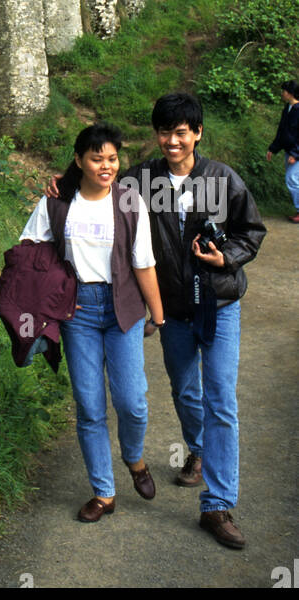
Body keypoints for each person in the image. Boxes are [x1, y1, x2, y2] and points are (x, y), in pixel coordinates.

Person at [47, 91, 266, 549]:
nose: (171, 141)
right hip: (173, 310)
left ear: (197, 133)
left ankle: (218, 505)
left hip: (220, 304)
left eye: (181, 133)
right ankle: (199, 451)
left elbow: (252, 231)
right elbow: (96, 181)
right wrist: (62, 183)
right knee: (186, 391)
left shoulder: (223, 180)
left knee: (221, 399)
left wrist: (227, 257)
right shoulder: (140, 180)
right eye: (164, 132)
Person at [21, 123, 164, 523]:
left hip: (123, 308)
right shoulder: (57, 202)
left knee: (132, 402)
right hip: (77, 311)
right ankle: (103, 492)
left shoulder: (130, 202)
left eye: (112, 158)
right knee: (89, 406)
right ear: (80, 160)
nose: (106, 166)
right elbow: (30, 251)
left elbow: (144, 263)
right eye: (97, 158)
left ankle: (134, 459)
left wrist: (159, 314)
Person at [265, 80, 299, 223]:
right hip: (289, 151)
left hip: (295, 152)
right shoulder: (288, 108)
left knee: (292, 179)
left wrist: (295, 154)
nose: (282, 93)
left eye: (284, 91)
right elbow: (282, 132)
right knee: (294, 180)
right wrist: (273, 148)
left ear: (290, 92)